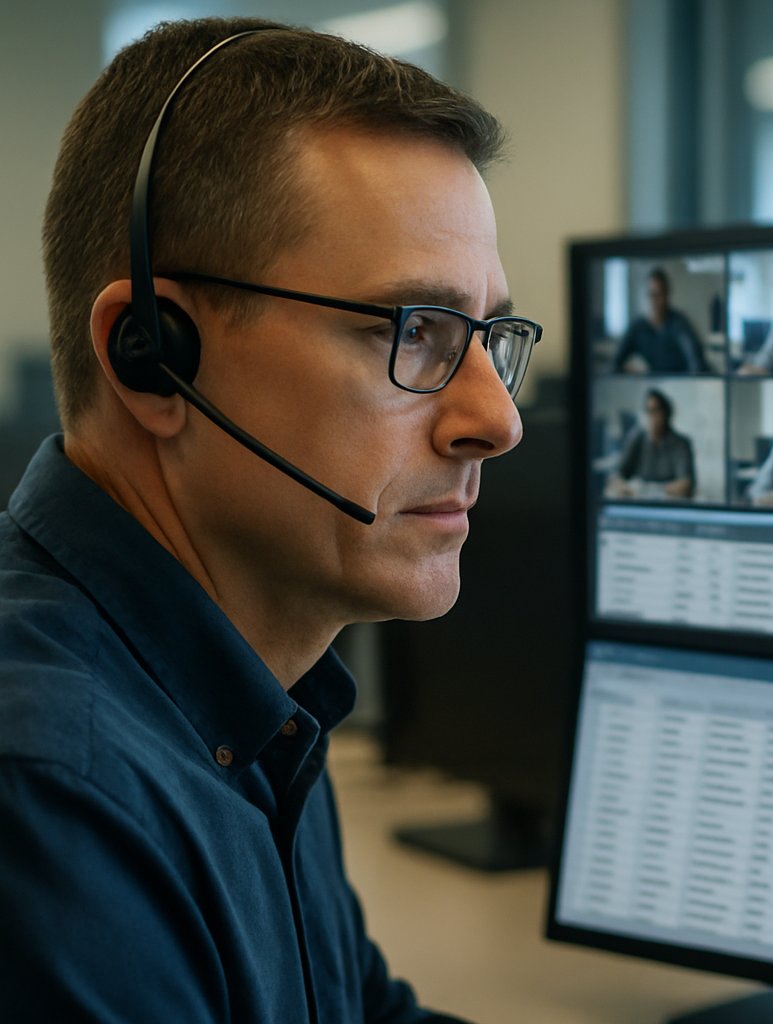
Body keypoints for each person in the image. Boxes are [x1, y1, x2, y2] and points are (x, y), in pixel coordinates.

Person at [1, 19, 527, 1020]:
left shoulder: (253, 694)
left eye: (491, 335)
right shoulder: (55, 792)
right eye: (414, 331)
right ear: (152, 356)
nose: (495, 420)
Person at [610, 267, 707, 373]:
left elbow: (697, 363)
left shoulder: (679, 324)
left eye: (659, 294)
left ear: (667, 295)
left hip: (681, 385)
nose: (654, 301)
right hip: (653, 384)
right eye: (651, 294)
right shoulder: (638, 328)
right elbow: (615, 364)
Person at [606, 388, 695, 499]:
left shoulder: (680, 443)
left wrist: (646, 490)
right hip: (640, 508)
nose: (651, 417)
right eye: (647, 411)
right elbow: (616, 478)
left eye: (655, 411)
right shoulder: (637, 438)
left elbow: (685, 486)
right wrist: (622, 487)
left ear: (666, 413)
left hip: (670, 508)